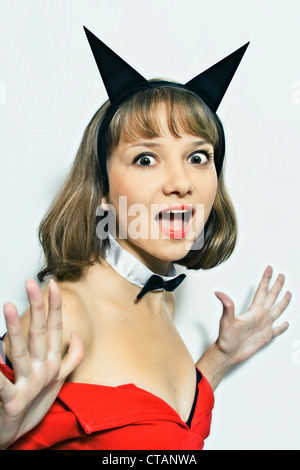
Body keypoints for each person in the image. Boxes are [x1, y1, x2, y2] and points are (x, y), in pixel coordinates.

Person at [0, 28, 292, 450]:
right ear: (101, 189)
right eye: (145, 158)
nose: (181, 182)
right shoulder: (63, 316)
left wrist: (221, 357)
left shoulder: (161, 302)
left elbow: (161, 434)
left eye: (197, 157)